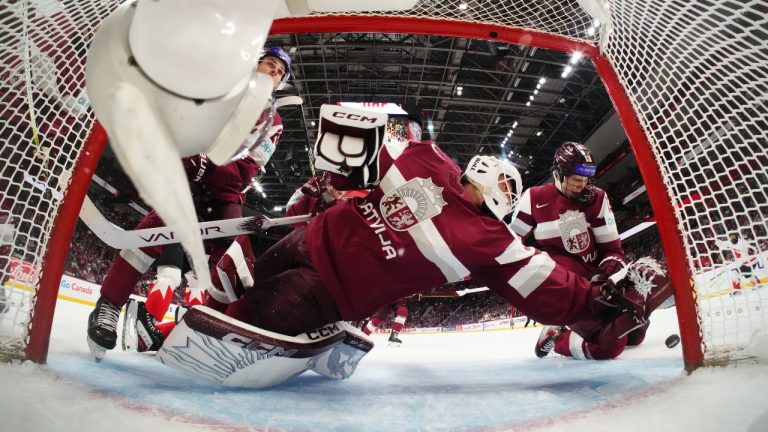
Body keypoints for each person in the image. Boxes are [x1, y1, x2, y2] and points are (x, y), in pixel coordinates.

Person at [139, 105, 670, 367]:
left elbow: (539, 280)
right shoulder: (430, 158)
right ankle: (166, 312)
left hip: (326, 290)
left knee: (242, 322)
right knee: (231, 276)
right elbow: (365, 154)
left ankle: (167, 337)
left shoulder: (487, 238)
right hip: (306, 243)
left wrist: (597, 307)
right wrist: (338, 173)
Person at [86, 47, 292, 359]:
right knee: (144, 241)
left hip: (223, 195)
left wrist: (208, 164)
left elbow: (250, 166)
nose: (274, 72)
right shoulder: (220, 91)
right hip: (186, 185)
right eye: (270, 64)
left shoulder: (273, 121)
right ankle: (108, 307)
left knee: (235, 266)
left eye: (279, 72)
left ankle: (213, 333)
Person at [509, 141, 637, 360]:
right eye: (577, 180)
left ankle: (565, 326)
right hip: (563, 281)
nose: (582, 185)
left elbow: (612, 250)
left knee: (635, 335)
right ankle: (559, 339)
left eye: (586, 180)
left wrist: (605, 277)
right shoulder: (533, 198)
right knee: (609, 346)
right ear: (558, 174)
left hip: (595, 278)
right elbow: (509, 243)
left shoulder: (597, 198)